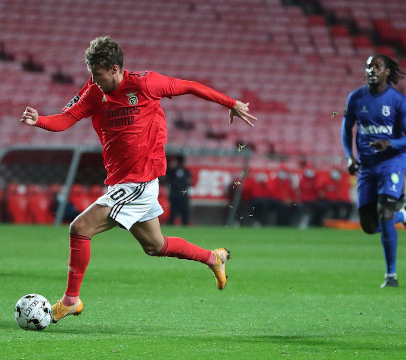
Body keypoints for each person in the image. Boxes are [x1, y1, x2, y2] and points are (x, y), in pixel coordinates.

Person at [20, 36, 256, 323]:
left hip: (138, 181)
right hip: (124, 181)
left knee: (79, 228)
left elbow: (190, 86)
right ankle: (212, 257)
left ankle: (70, 300)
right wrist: (40, 120)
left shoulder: (146, 84)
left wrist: (231, 103)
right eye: (91, 75)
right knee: (155, 246)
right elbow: (66, 118)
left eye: (98, 75)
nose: (93, 80)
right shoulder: (94, 92)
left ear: (116, 69)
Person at [342, 54, 406, 288]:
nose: (372, 70)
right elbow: (347, 130)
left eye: (377, 67)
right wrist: (350, 157)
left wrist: (390, 144)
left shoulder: (398, 102)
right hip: (366, 166)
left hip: (391, 163)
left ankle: (390, 275)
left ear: (387, 72)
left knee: (385, 212)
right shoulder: (355, 98)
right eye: (368, 67)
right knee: (369, 226)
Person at [166, 155, 191, 226]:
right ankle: (171, 224)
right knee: (173, 210)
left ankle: (185, 224)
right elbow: (168, 181)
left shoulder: (187, 171)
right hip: (174, 193)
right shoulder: (172, 171)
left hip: (183, 193)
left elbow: (190, 182)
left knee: (185, 210)